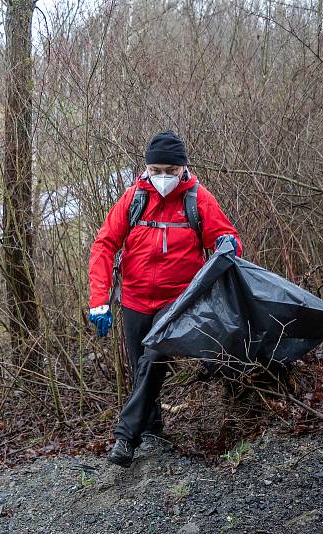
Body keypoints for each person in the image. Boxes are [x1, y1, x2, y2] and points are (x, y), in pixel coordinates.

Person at [87, 131, 242, 467]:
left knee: (155, 358)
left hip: (178, 303)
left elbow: (226, 239)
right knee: (140, 367)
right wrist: (99, 300)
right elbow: (103, 246)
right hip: (135, 300)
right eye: (156, 169)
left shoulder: (198, 200)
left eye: (171, 171)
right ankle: (155, 432)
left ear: (184, 169)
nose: (163, 177)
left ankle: (126, 438)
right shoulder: (133, 199)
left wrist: (228, 246)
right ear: (145, 168)